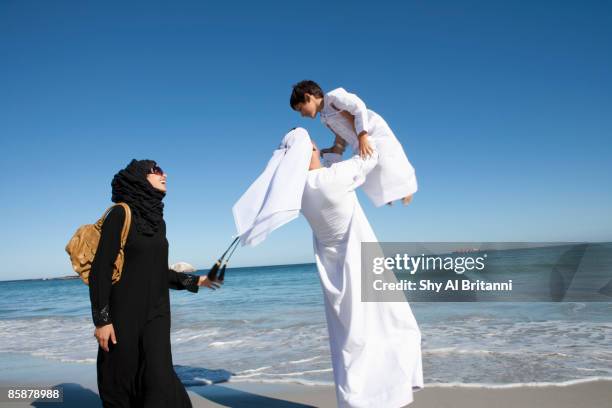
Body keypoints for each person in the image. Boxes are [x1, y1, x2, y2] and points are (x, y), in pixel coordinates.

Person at [233, 128, 423, 407]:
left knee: (351, 339)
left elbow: (328, 163)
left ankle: (359, 399)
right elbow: (370, 158)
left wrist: (334, 146)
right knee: (396, 325)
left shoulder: (300, 190)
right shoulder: (330, 179)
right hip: (358, 262)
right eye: (314, 148)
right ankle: (388, 393)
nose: (319, 150)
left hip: (333, 269)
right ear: (306, 154)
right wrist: (362, 133)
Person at [89, 159, 220, 407]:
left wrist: (197, 280)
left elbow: (158, 272)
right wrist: (102, 320)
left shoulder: (158, 222)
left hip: (157, 315)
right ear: (139, 178)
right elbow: (100, 270)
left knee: (160, 379)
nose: (165, 174)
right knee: (121, 381)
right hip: (123, 316)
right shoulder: (120, 213)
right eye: (157, 171)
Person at [290, 80, 418, 207]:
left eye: (301, 108)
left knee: (388, 160)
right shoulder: (324, 118)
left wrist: (363, 135)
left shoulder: (333, 98)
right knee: (368, 171)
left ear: (308, 97)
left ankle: (406, 188)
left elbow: (358, 107)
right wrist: (336, 148)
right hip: (358, 140)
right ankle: (389, 193)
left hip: (371, 131)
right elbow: (340, 134)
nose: (302, 114)